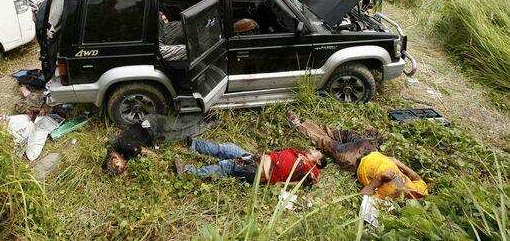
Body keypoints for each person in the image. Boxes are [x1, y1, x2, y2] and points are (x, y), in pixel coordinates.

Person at [287, 112, 427, 200]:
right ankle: (311, 129)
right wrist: (398, 163)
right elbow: (417, 178)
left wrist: (379, 180)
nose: (415, 197)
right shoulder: (421, 191)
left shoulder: (391, 201)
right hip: (372, 150)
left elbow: (363, 195)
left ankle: (299, 126)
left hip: (355, 160)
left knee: (328, 143)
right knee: (340, 135)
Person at [174, 137, 326, 185]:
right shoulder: (298, 153)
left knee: (226, 167)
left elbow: (309, 180)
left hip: (257, 170)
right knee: (228, 148)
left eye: (318, 152)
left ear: (318, 161)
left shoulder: (311, 169)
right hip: (255, 158)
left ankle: (187, 172)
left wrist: (311, 177)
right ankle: (195, 145)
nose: (314, 149)